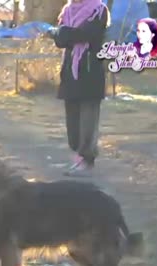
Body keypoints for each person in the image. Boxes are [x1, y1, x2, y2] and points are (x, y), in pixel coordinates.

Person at [46, 0, 110, 177]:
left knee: (88, 120)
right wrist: (63, 34)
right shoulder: (67, 11)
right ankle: (77, 158)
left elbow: (87, 34)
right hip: (70, 72)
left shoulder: (98, 10)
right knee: (72, 122)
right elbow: (61, 40)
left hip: (90, 72)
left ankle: (87, 160)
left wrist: (63, 33)